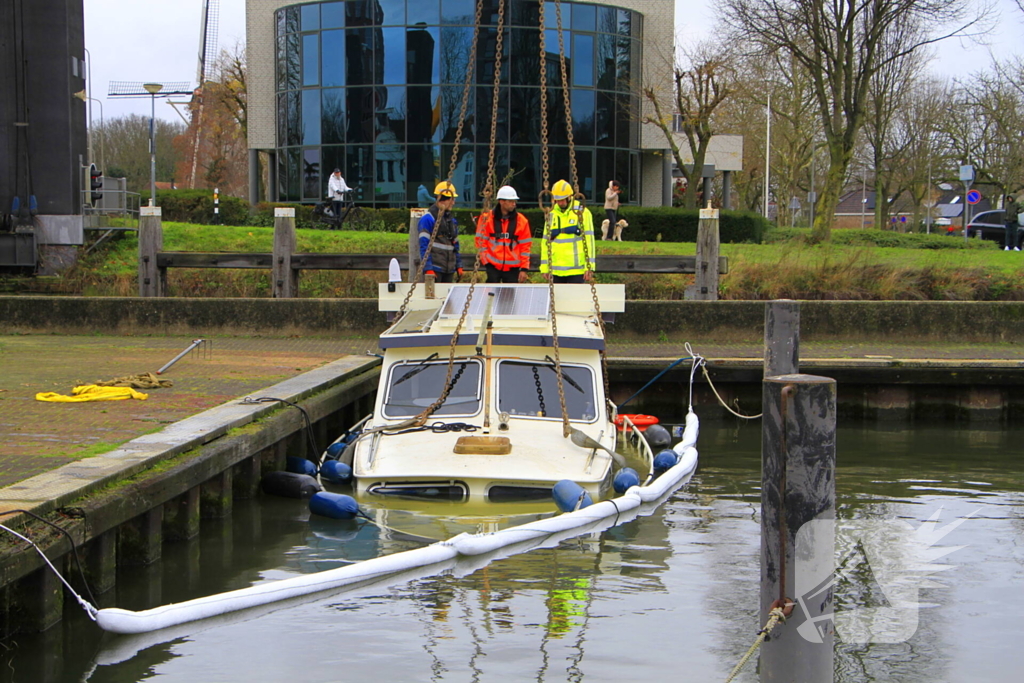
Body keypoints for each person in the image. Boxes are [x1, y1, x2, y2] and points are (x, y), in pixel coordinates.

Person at [540, 179, 596, 284]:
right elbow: (545, 242)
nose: (560, 203)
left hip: (576, 270)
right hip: (556, 270)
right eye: (558, 200)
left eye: (563, 199)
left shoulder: (582, 212)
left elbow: (589, 241)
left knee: (574, 300)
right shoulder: (551, 214)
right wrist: (545, 267)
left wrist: (589, 266)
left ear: (570, 197)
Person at [476, 185, 532, 283]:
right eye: (510, 201)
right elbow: (481, 242)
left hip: (513, 268)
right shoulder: (487, 219)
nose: (513, 204)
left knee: (511, 297)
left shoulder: (522, 221)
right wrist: (486, 262)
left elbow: (525, 247)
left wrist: (524, 268)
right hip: (492, 266)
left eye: (514, 201)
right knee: (491, 296)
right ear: (501, 201)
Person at [418, 181, 463, 283]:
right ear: (442, 199)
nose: (453, 202)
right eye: (451, 199)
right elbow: (424, 246)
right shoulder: (428, 219)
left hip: (448, 269)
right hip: (435, 269)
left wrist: (458, 265)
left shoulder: (451, 221)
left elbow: (455, 246)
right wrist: (428, 268)